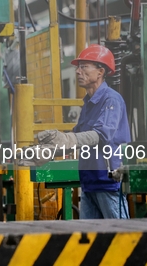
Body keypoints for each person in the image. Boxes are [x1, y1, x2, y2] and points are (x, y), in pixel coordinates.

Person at [34, 44, 130, 219]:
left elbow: (101, 135)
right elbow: (77, 136)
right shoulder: (88, 104)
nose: (78, 71)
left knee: (121, 236)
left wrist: (68, 140)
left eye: (84, 67)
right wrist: (49, 150)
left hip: (108, 181)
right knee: (90, 239)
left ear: (100, 72)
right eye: (78, 67)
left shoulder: (111, 100)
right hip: (89, 182)